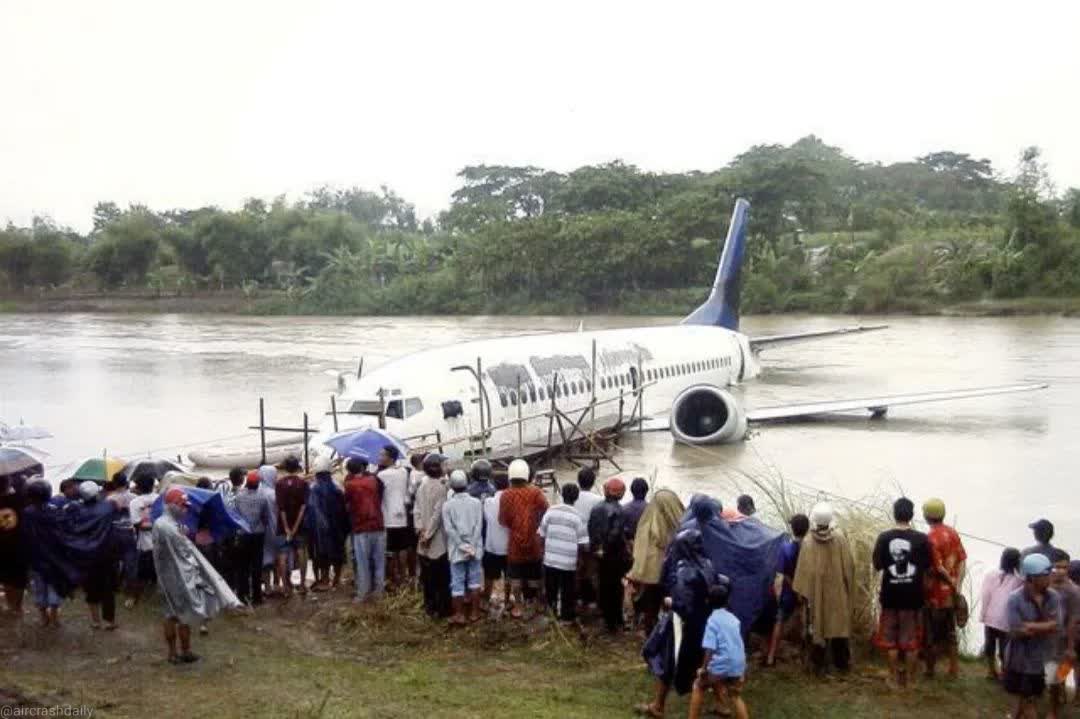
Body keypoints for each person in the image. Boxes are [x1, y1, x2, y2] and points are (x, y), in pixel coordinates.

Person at [638, 527, 721, 718]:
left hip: (682, 624)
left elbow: (683, 605)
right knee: (705, 661)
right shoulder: (708, 565)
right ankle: (721, 703)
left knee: (666, 659)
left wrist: (670, 602)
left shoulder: (685, 571)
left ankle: (658, 706)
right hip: (704, 622)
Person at [152, 487, 241, 664]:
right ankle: (174, 653)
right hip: (174, 576)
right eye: (182, 506)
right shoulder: (166, 526)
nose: (185, 510)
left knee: (181, 614)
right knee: (174, 615)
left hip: (172, 574)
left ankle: (184, 651)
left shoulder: (169, 524)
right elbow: (185, 552)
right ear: (173, 506)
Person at [870, 497, 930, 689]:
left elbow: (877, 565)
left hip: (890, 596)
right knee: (911, 641)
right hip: (913, 598)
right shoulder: (922, 539)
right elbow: (927, 567)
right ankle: (911, 680)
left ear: (894, 514)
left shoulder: (884, 538)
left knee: (890, 641)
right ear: (911, 515)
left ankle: (893, 678)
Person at [794, 502, 855, 676]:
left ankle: (818, 666)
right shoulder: (840, 538)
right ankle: (842, 664)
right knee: (839, 625)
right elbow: (849, 567)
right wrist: (848, 588)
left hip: (816, 594)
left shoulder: (808, 541)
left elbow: (803, 573)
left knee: (817, 625)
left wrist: (804, 594)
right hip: (837, 593)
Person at [1005, 553, 1062, 719]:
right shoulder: (1015, 599)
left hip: (1041, 658)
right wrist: (1045, 626)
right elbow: (1016, 630)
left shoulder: (1053, 597)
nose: (1050, 577)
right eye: (1045, 575)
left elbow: (1056, 625)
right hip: (1019, 659)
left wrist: (1030, 626)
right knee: (1022, 701)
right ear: (1032, 578)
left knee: (1031, 698)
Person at [626, 489, 685, 635]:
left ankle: (651, 632)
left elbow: (639, 552)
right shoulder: (683, 525)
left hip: (651, 575)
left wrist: (636, 573)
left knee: (651, 606)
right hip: (674, 575)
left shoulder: (647, 523)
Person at [689, 577, 747, 719]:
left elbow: (710, 648)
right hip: (738, 663)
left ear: (708, 602)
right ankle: (723, 708)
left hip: (722, 663)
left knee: (699, 685)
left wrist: (703, 669)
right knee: (735, 694)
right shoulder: (734, 619)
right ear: (727, 601)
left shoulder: (712, 620)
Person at [922, 497, 967, 679]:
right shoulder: (953, 533)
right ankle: (953, 669)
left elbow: (938, 568)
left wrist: (949, 581)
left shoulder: (930, 538)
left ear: (926, 516)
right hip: (952, 594)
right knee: (950, 632)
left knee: (931, 633)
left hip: (936, 594)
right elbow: (962, 560)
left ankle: (930, 670)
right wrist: (957, 584)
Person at [498, 458, 548, 619]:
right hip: (533, 539)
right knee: (534, 573)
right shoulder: (536, 492)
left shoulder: (505, 495)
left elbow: (502, 520)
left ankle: (518, 605)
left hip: (514, 541)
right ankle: (534, 603)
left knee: (516, 574)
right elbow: (546, 510)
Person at [538, 483, 589, 622]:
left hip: (550, 559)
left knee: (551, 588)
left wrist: (543, 552)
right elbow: (582, 543)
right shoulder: (579, 516)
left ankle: (551, 614)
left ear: (561, 495)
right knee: (567, 590)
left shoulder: (551, 511)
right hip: (568, 561)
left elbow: (541, 534)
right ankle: (566, 617)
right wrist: (580, 560)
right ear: (576, 498)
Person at [766, 513, 809, 667]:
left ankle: (771, 657)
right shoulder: (810, 549)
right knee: (808, 622)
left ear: (792, 529)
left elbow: (782, 574)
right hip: (806, 591)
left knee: (779, 622)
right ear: (807, 529)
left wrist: (792, 590)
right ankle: (806, 658)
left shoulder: (785, 548)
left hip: (788, 592)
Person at [442, 470, 484, 625]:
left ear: (451, 486)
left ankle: (459, 615)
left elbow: (449, 529)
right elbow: (479, 526)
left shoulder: (447, 505)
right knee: (474, 581)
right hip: (474, 548)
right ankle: (475, 613)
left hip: (456, 550)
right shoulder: (476, 503)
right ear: (467, 484)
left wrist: (461, 545)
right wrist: (471, 545)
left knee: (457, 582)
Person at [589, 477, 630, 632]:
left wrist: (598, 549)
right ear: (620, 493)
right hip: (614, 555)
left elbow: (591, 530)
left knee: (604, 585)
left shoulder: (596, 508)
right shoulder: (620, 510)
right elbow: (615, 534)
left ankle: (607, 619)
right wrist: (606, 548)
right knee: (616, 588)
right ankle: (616, 620)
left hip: (599, 555)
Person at [343, 454, 386, 602]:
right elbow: (381, 492)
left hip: (361, 527)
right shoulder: (374, 480)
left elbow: (346, 505)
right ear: (362, 467)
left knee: (363, 563)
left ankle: (363, 593)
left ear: (349, 471)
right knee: (379, 561)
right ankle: (379, 591)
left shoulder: (349, 485)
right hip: (378, 525)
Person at [78, 481, 120, 630]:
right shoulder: (108, 507)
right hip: (106, 552)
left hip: (86, 553)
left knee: (90, 587)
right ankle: (109, 621)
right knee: (107, 588)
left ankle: (96, 621)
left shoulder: (78, 511)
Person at [979, 547, 1023, 680]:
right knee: (1005, 649)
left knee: (990, 645)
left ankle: (991, 671)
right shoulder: (1019, 581)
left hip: (990, 617)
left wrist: (983, 614)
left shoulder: (991, 575)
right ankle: (1004, 672)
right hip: (1006, 620)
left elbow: (985, 595)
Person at [414, 453, 450, 618]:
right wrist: (428, 535)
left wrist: (420, 530)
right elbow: (438, 515)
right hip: (437, 540)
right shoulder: (442, 488)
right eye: (443, 465)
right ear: (436, 468)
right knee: (441, 578)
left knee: (427, 577)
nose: (446, 467)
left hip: (422, 537)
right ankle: (442, 609)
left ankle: (429, 607)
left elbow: (416, 510)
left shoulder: (422, 484)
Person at [306, 456, 348, 591]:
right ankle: (337, 579)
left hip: (320, 529)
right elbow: (344, 508)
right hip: (337, 527)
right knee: (338, 552)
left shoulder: (313, 488)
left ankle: (324, 580)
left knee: (321, 554)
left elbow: (312, 510)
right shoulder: (338, 486)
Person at [22, 480, 61, 627]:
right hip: (54, 556)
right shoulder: (55, 510)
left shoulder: (27, 513)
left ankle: (43, 617)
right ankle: (54, 616)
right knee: (54, 586)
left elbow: (25, 536)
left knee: (39, 587)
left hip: (35, 557)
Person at [232, 469, 272, 606]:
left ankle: (243, 596)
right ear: (258, 484)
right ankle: (257, 597)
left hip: (243, 534)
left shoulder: (238, 497)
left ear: (247, 483)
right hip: (258, 535)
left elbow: (236, 515)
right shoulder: (262, 498)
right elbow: (265, 517)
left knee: (243, 567)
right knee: (256, 566)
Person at [1047, 549, 1080, 716]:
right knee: (1051, 676)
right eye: (1057, 567)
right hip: (1045, 637)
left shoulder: (1073, 591)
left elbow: (1073, 620)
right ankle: (1061, 691)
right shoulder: (1045, 584)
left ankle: (1054, 708)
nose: (1060, 571)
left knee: (1059, 673)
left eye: (1064, 567)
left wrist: (1071, 646)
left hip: (1065, 638)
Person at [377, 445, 412, 590]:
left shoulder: (381, 475)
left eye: (382, 455)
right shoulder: (404, 471)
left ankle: (394, 580)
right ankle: (403, 578)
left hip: (388, 518)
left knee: (390, 551)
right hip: (402, 516)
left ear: (390, 458)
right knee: (402, 549)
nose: (380, 457)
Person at [275, 456, 309, 596]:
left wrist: (287, 528)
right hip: (299, 525)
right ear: (297, 468)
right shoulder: (303, 483)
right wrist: (295, 527)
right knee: (301, 552)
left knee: (282, 554)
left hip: (282, 526)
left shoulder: (279, 484)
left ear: (285, 468)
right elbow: (303, 507)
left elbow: (281, 508)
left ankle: (285, 588)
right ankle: (302, 585)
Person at [572, 466, 603, 611]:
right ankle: (591, 600)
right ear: (593, 482)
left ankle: (576, 599)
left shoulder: (571, 497)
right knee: (591, 571)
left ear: (578, 481)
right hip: (591, 541)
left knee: (577, 570)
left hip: (574, 540)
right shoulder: (598, 500)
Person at [128, 473, 160, 603]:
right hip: (160, 541)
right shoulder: (160, 498)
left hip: (145, 543)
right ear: (152, 486)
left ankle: (134, 597)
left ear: (138, 487)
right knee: (159, 569)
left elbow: (137, 524)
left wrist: (146, 525)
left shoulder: (135, 503)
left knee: (140, 573)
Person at [481, 473, 510, 611]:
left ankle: (486, 600)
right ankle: (508, 600)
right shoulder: (511, 502)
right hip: (508, 546)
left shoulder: (488, 502)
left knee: (489, 575)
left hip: (491, 546)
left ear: (494, 485)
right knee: (509, 575)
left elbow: (486, 519)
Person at [0, 472, 27, 618]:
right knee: (19, 578)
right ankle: (18, 606)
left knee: (6, 577)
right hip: (19, 545)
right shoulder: (19, 499)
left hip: (2, 546)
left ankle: (11, 605)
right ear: (8, 483)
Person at [257, 464, 280, 593]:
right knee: (278, 556)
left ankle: (267, 586)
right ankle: (277, 582)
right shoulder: (274, 493)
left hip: (262, 529)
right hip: (276, 527)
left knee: (264, 558)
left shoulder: (258, 492)